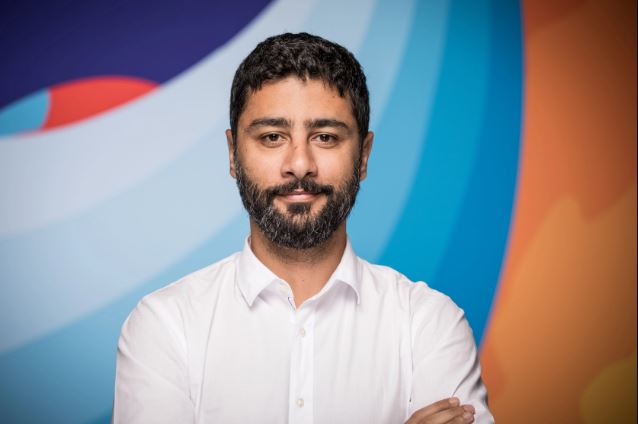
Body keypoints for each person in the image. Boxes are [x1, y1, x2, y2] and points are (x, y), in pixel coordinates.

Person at [113, 32, 494, 424]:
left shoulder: (429, 324)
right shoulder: (165, 325)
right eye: (272, 137)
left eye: (325, 137)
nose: (299, 164)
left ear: (363, 156)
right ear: (232, 154)